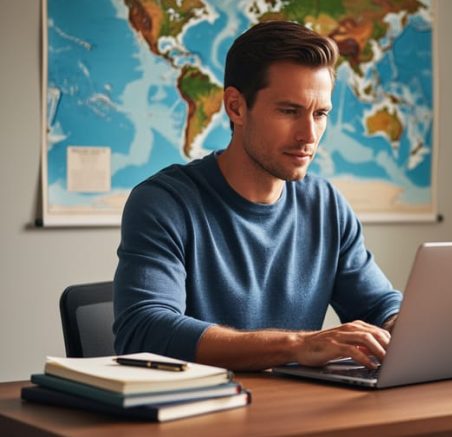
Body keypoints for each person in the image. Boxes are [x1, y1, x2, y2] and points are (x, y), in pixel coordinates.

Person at [113, 21, 402, 371]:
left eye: (320, 113)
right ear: (236, 107)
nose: (308, 135)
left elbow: (379, 306)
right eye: (289, 111)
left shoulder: (326, 205)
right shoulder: (164, 203)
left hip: (294, 413)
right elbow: (144, 330)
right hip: (201, 416)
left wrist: (398, 325)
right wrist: (298, 345)